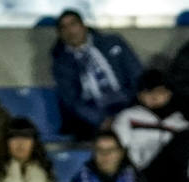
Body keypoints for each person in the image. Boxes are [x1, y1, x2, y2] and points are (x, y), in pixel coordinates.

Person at [51, 8, 144, 139]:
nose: (70, 31)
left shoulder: (112, 42)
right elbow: (72, 101)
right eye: (63, 27)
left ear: (84, 26)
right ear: (59, 33)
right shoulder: (61, 63)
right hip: (94, 112)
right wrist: (101, 120)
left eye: (73, 24)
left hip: (127, 102)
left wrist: (132, 109)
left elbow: (137, 74)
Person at [113, 70, 189, 173]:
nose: (154, 96)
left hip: (171, 176)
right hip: (137, 173)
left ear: (169, 94)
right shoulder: (127, 117)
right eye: (149, 92)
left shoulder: (181, 125)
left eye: (160, 91)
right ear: (139, 95)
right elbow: (121, 150)